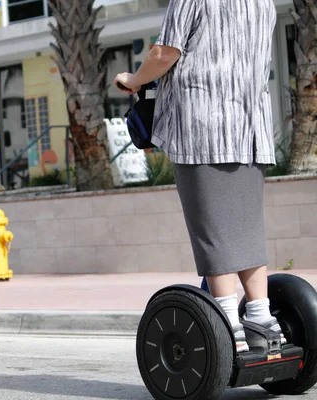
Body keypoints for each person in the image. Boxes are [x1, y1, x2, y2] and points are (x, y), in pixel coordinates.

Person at [114, 0, 282, 353]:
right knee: (247, 228)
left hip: (203, 127)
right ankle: (262, 319)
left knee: (212, 231)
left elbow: (164, 53)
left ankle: (227, 327)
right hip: (251, 130)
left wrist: (132, 79)